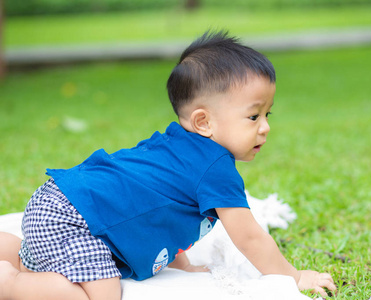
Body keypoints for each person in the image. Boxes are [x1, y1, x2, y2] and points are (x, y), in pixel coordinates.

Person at [0, 30, 336, 300]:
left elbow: (160, 214)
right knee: (100, 293)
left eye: (267, 114)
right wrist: (294, 277)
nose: (265, 127)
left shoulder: (179, 145)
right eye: (253, 116)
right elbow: (250, 237)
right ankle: (11, 283)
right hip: (74, 218)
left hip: (60, 202)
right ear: (203, 122)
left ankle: (16, 254)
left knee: (46, 254)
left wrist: (183, 267)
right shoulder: (215, 167)